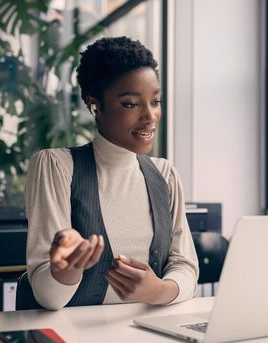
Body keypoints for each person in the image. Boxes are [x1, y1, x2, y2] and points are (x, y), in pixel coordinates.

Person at [24, 36, 199, 310]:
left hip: (150, 334)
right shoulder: (56, 166)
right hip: (76, 339)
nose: (150, 116)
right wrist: (67, 269)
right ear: (95, 106)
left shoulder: (165, 174)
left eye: (155, 101)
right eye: (131, 104)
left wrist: (158, 291)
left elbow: (185, 265)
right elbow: (48, 299)